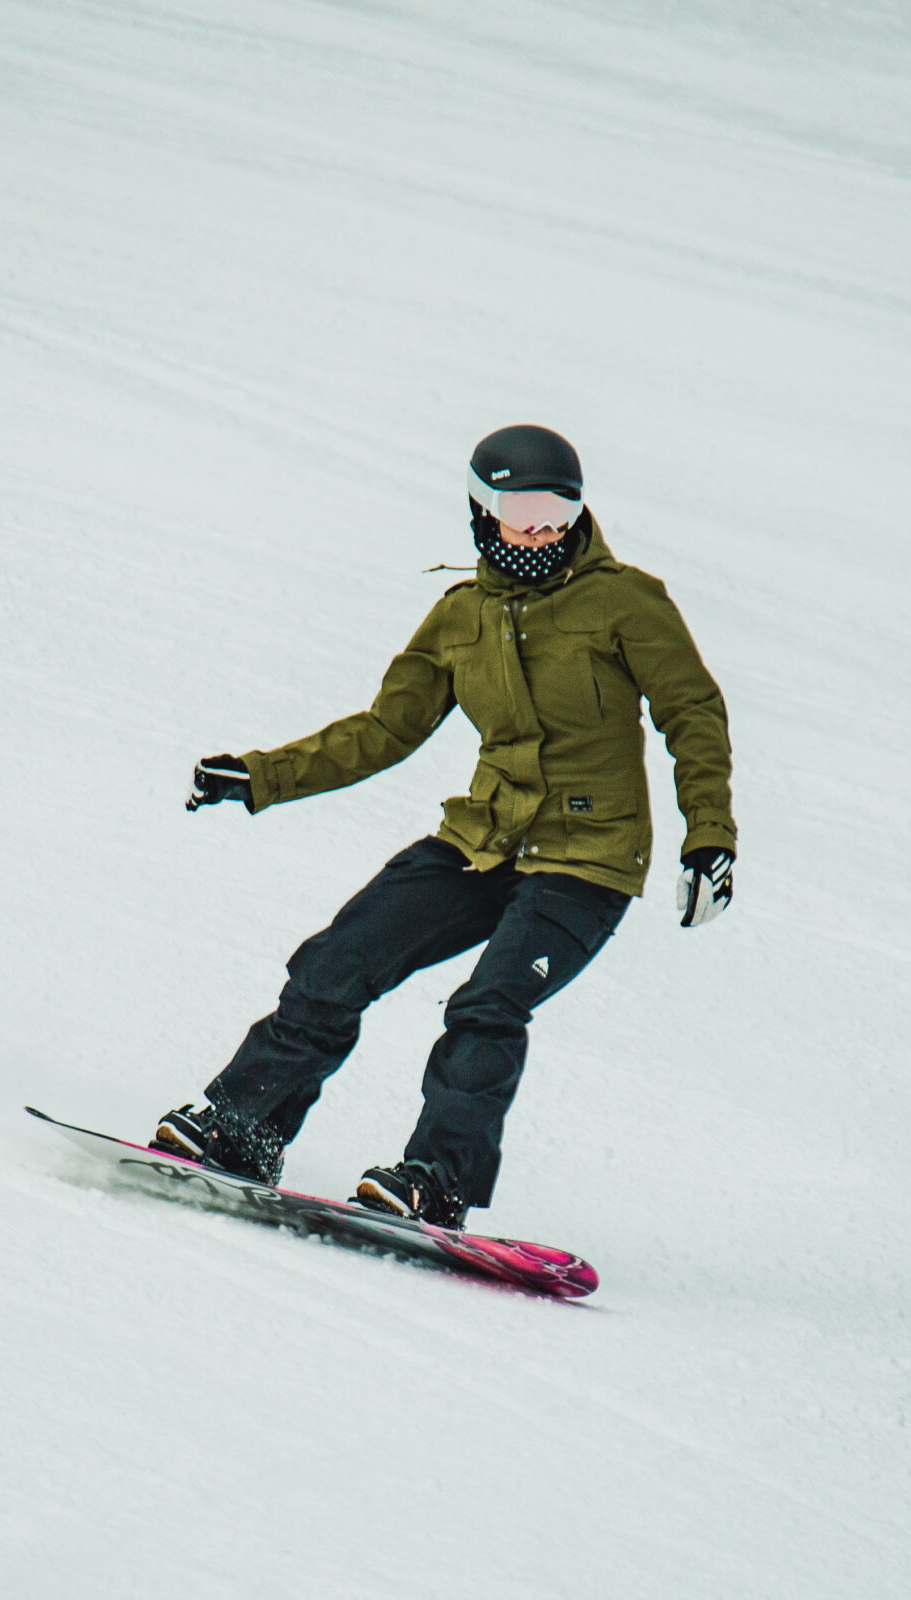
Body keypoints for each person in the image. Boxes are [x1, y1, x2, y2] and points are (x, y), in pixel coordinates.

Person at [154, 424, 736, 1229]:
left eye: (560, 508)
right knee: (339, 960)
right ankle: (242, 1129)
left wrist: (710, 836)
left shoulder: (626, 602)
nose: (543, 526)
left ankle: (437, 1180)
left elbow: (692, 715)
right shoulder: (460, 616)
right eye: (523, 507)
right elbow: (383, 731)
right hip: (481, 843)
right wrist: (260, 776)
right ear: (482, 509)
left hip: (588, 859)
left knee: (487, 1006)